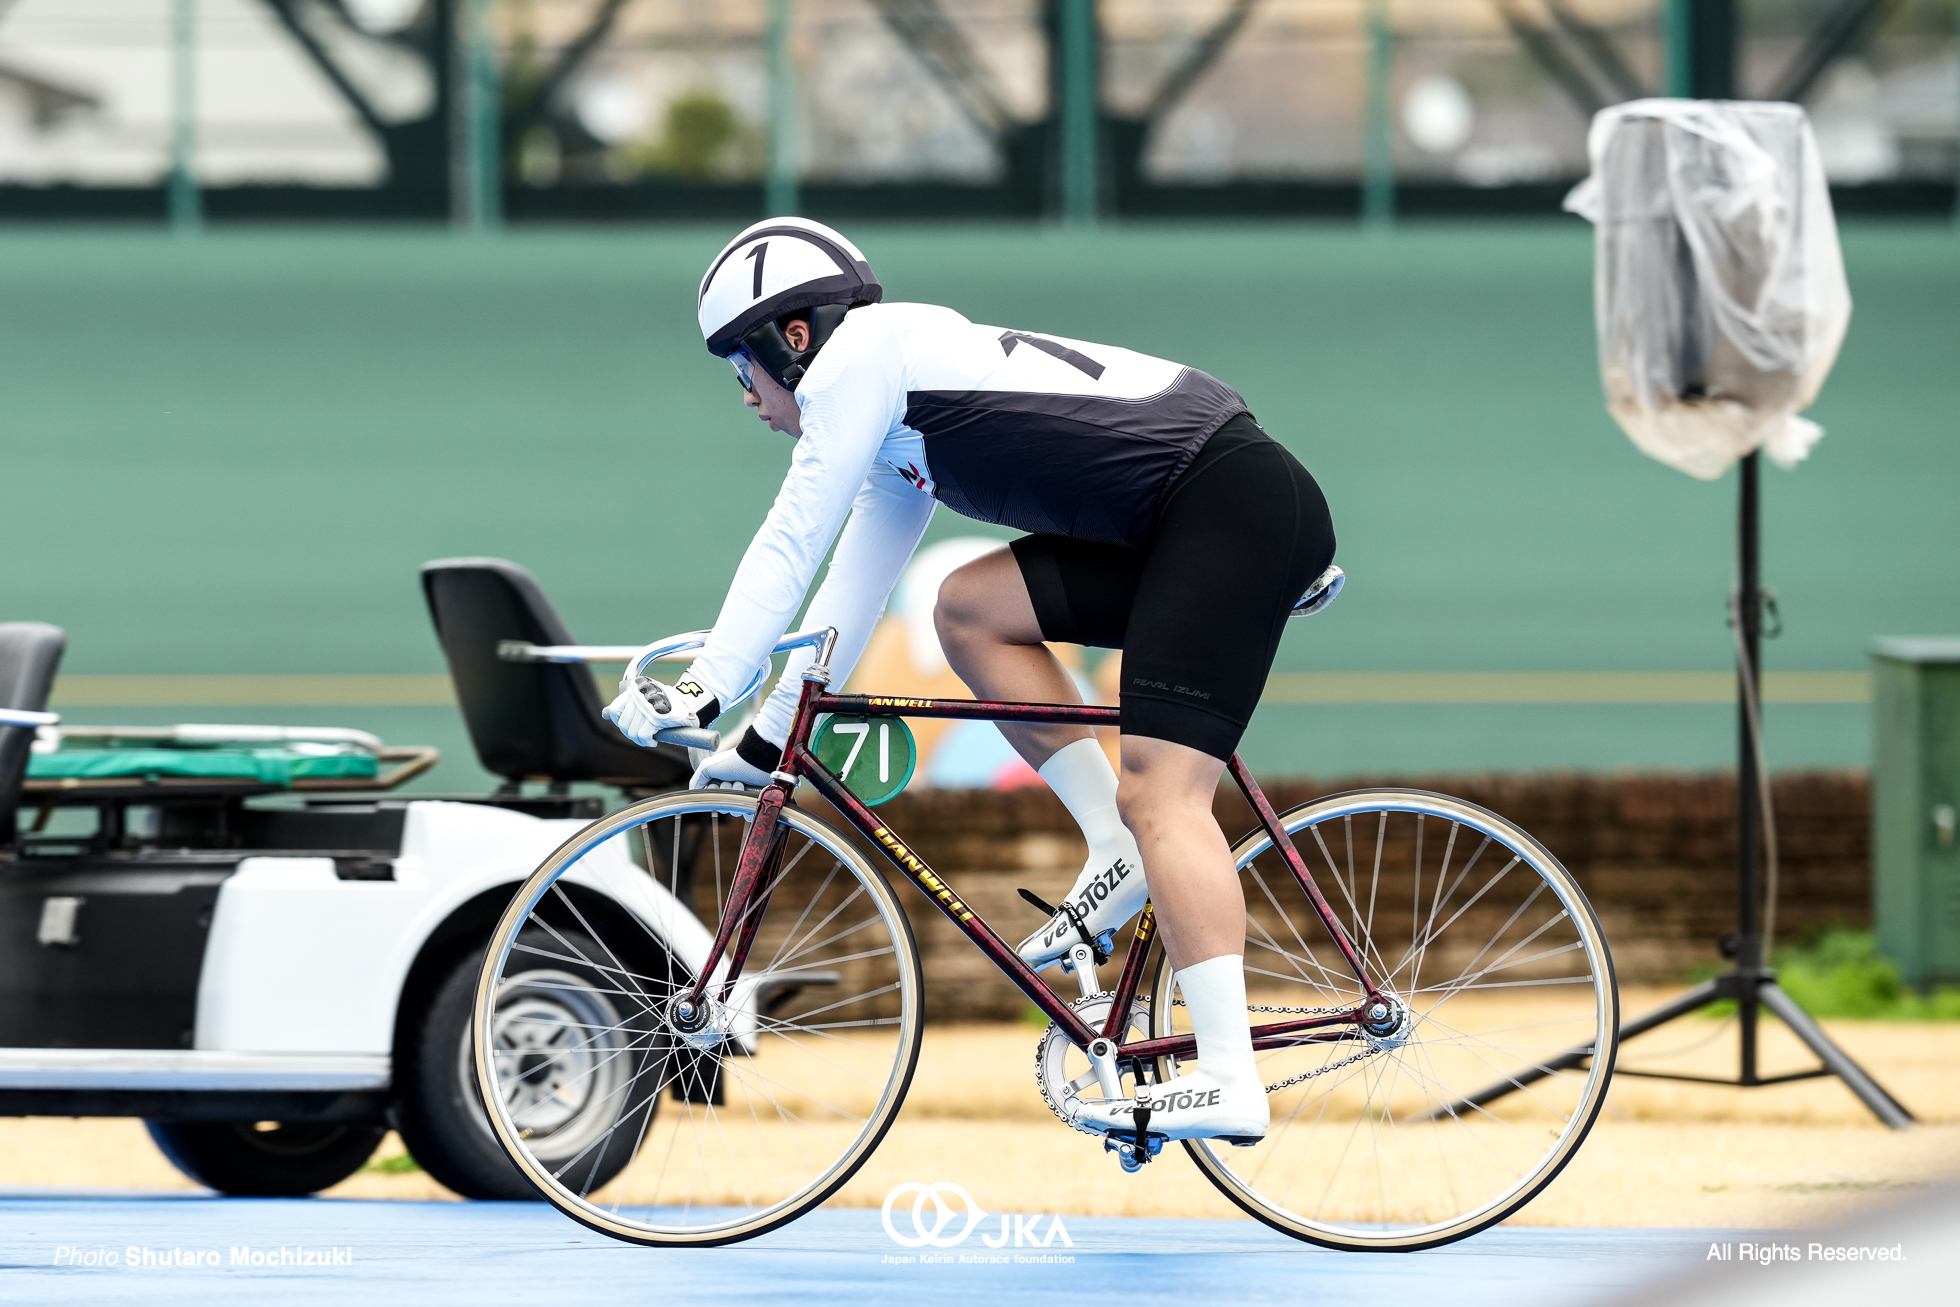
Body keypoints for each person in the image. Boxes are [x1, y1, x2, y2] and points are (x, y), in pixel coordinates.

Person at [604, 218, 1336, 1146]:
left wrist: (704, 685)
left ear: (792, 339)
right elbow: (845, 596)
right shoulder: (894, 418)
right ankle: (1114, 841)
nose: (742, 394)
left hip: (1229, 504)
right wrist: (762, 738)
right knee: (967, 608)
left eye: (736, 364)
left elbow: (792, 535)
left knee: (1168, 796)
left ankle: (1230, 1074)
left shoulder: (857, 358)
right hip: (1199, 511)